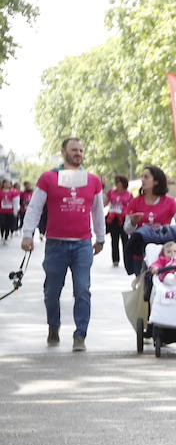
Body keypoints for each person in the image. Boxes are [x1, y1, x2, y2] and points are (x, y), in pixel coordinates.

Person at [20, 137, 106, 351]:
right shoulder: (49, 178)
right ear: (63, 152)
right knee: (51, 291)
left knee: (82, 290)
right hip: (56, 244)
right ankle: (53, 326)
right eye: (74, 150)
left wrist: (101, 237)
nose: (78, 153)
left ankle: (80, 335)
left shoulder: (92, 180)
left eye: (81, 150)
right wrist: (27, 234)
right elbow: (34, 208)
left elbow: (98, 211)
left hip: (82, 244)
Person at [123, 165, 176, 276]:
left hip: (162, 252)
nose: (142, 179)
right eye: (141, 176)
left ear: (156, 181)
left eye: (146, 177)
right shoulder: (135, 202)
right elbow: (127, 229)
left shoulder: (170, 202)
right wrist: (133, 222)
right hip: (141, 252)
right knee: (143, 285)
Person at [105, 175, 133, 266]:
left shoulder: (128, 194)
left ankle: (127, 259)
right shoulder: (111, 192)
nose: (117, 184)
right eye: (116, 182)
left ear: (123, 184)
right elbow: (105, 202)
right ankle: (115, 260)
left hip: (123, 218)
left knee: (125, 239)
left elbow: (132, 206)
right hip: (113, 218)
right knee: (114, 239)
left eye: (119, 182)